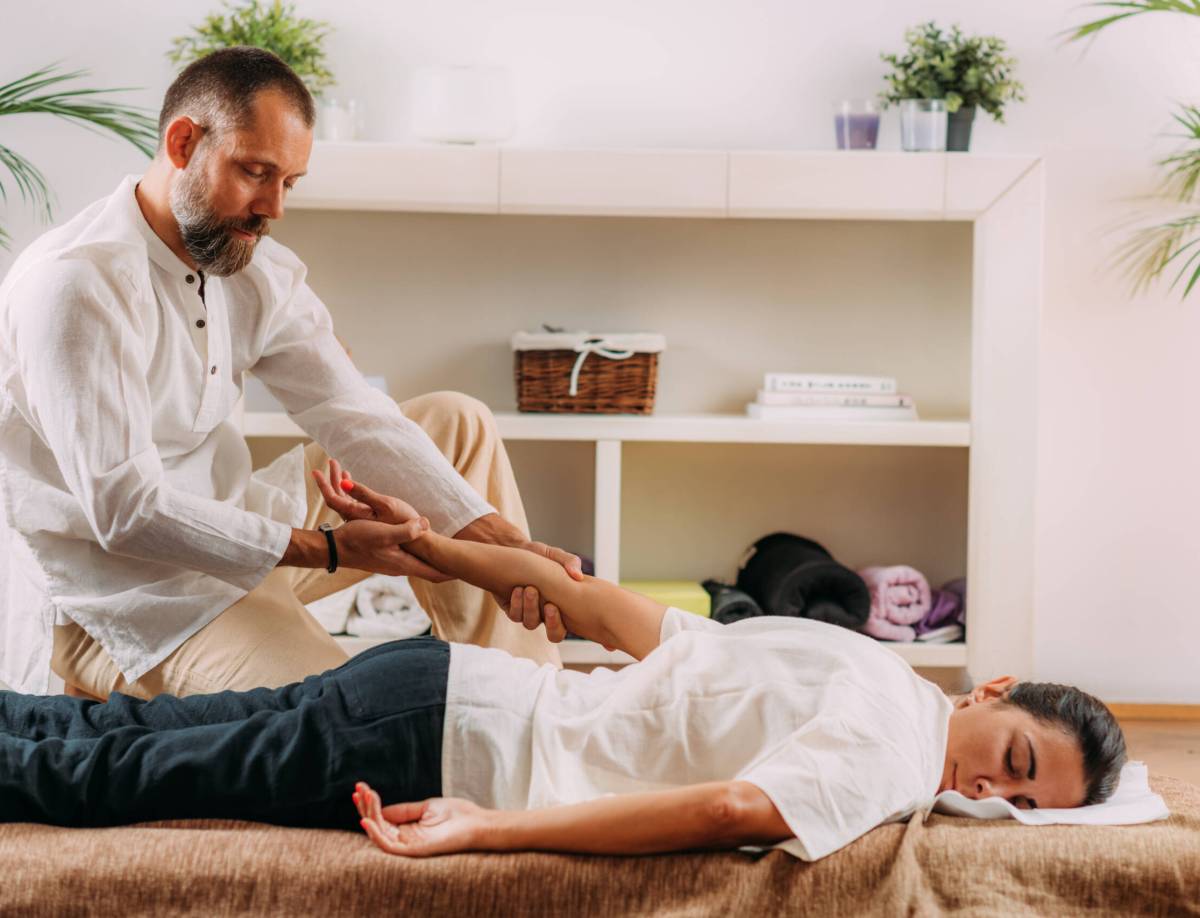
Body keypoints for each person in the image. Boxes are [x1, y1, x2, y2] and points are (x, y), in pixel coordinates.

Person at [0, 469, 1128, 861]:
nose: (991, 791)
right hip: (442, 738)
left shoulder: (861, 662)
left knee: (122, 738)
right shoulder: (891, 750)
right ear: (990, 690)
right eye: (1016, 757)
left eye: (1023, 800)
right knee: (131, 778)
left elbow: (623, 617)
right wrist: (488, 827)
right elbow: (730, 808)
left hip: (426, 686)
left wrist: (435, 544)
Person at [0, 46, 581, 702]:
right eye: (255, 172)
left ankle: (528, 703)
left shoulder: (252, 267)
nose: (272, 207)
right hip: (126, 602)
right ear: (183, 142)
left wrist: (502, 545)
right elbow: (126, 513)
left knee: (456, 422)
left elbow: (354, 415)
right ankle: (458, 727)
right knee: (357, 716)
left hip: (239, 534)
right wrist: (330, 549)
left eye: (290, 183)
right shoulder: (76, 284)